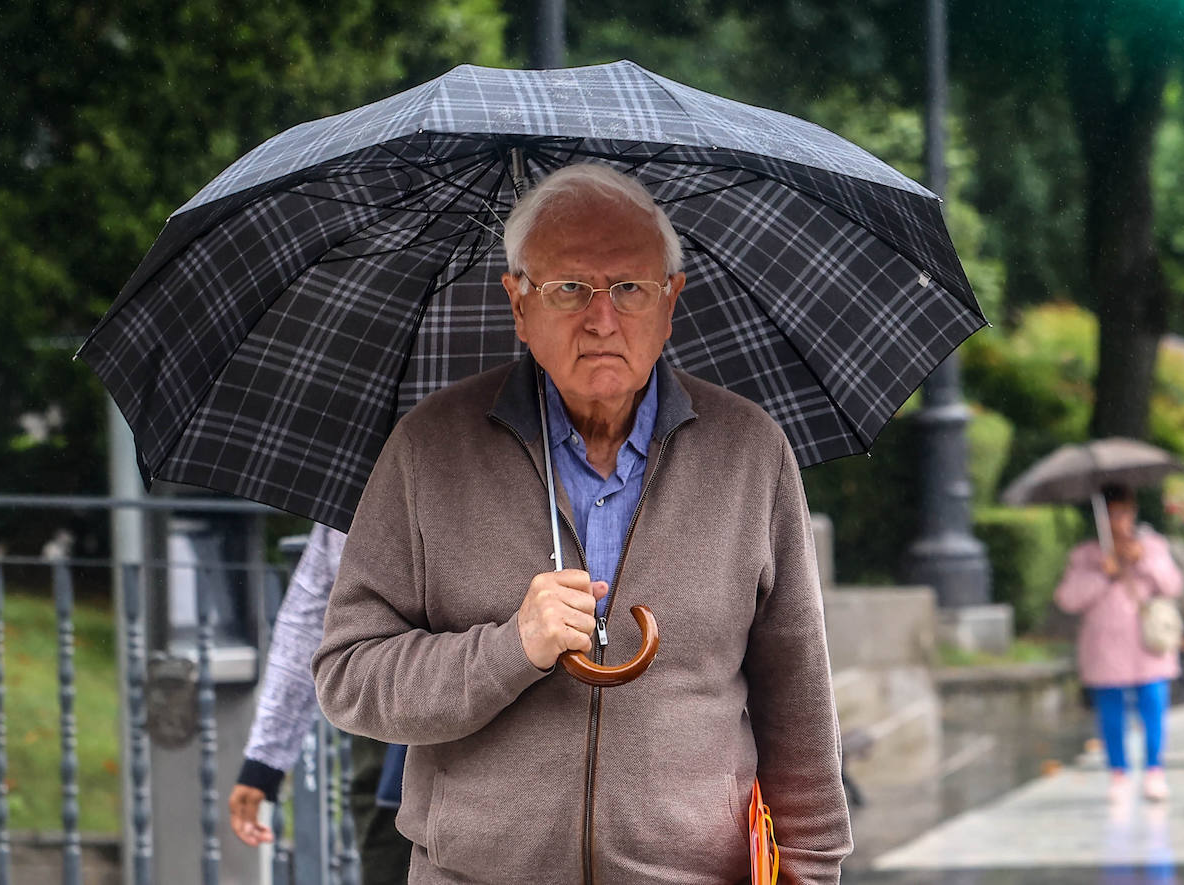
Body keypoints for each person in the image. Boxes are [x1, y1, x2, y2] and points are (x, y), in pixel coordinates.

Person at [313, 163, 853, 883]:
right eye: (569, 287)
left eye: (629, 287)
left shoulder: (749, 451)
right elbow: (349, 675)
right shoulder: (429, 449)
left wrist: (812, 874)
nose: (602, 318)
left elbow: (800, 709)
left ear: (670, 302)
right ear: (518, 304)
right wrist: (510, 648)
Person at [228, 523, 412, 884]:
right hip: (389, 729)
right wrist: (263, 762)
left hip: (508, 725)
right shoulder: (363, 482)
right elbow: (310, 613)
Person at [1055, 484, 1184, 803]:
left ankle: (1154, 770)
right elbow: (1068, 599)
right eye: (1112, 514)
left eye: (1124, 513)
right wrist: (1103, 574)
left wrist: (1143, 562)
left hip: (1146, 643)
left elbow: (1172, 585)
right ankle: (1119, 773)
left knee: (1153, 704)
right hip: (1105, 644)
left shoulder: (1152, 546)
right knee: (1111, 710)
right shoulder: (1086, 555)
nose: (1119, 521)